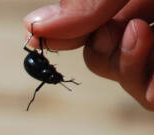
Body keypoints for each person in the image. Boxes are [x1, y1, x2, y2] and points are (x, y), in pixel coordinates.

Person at [24, 0, 154, 110]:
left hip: (35, 60)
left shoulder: (46, 73)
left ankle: (34, 31)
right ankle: (34, 32)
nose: (59, 75)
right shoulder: (47, 73)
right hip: (34, 60)